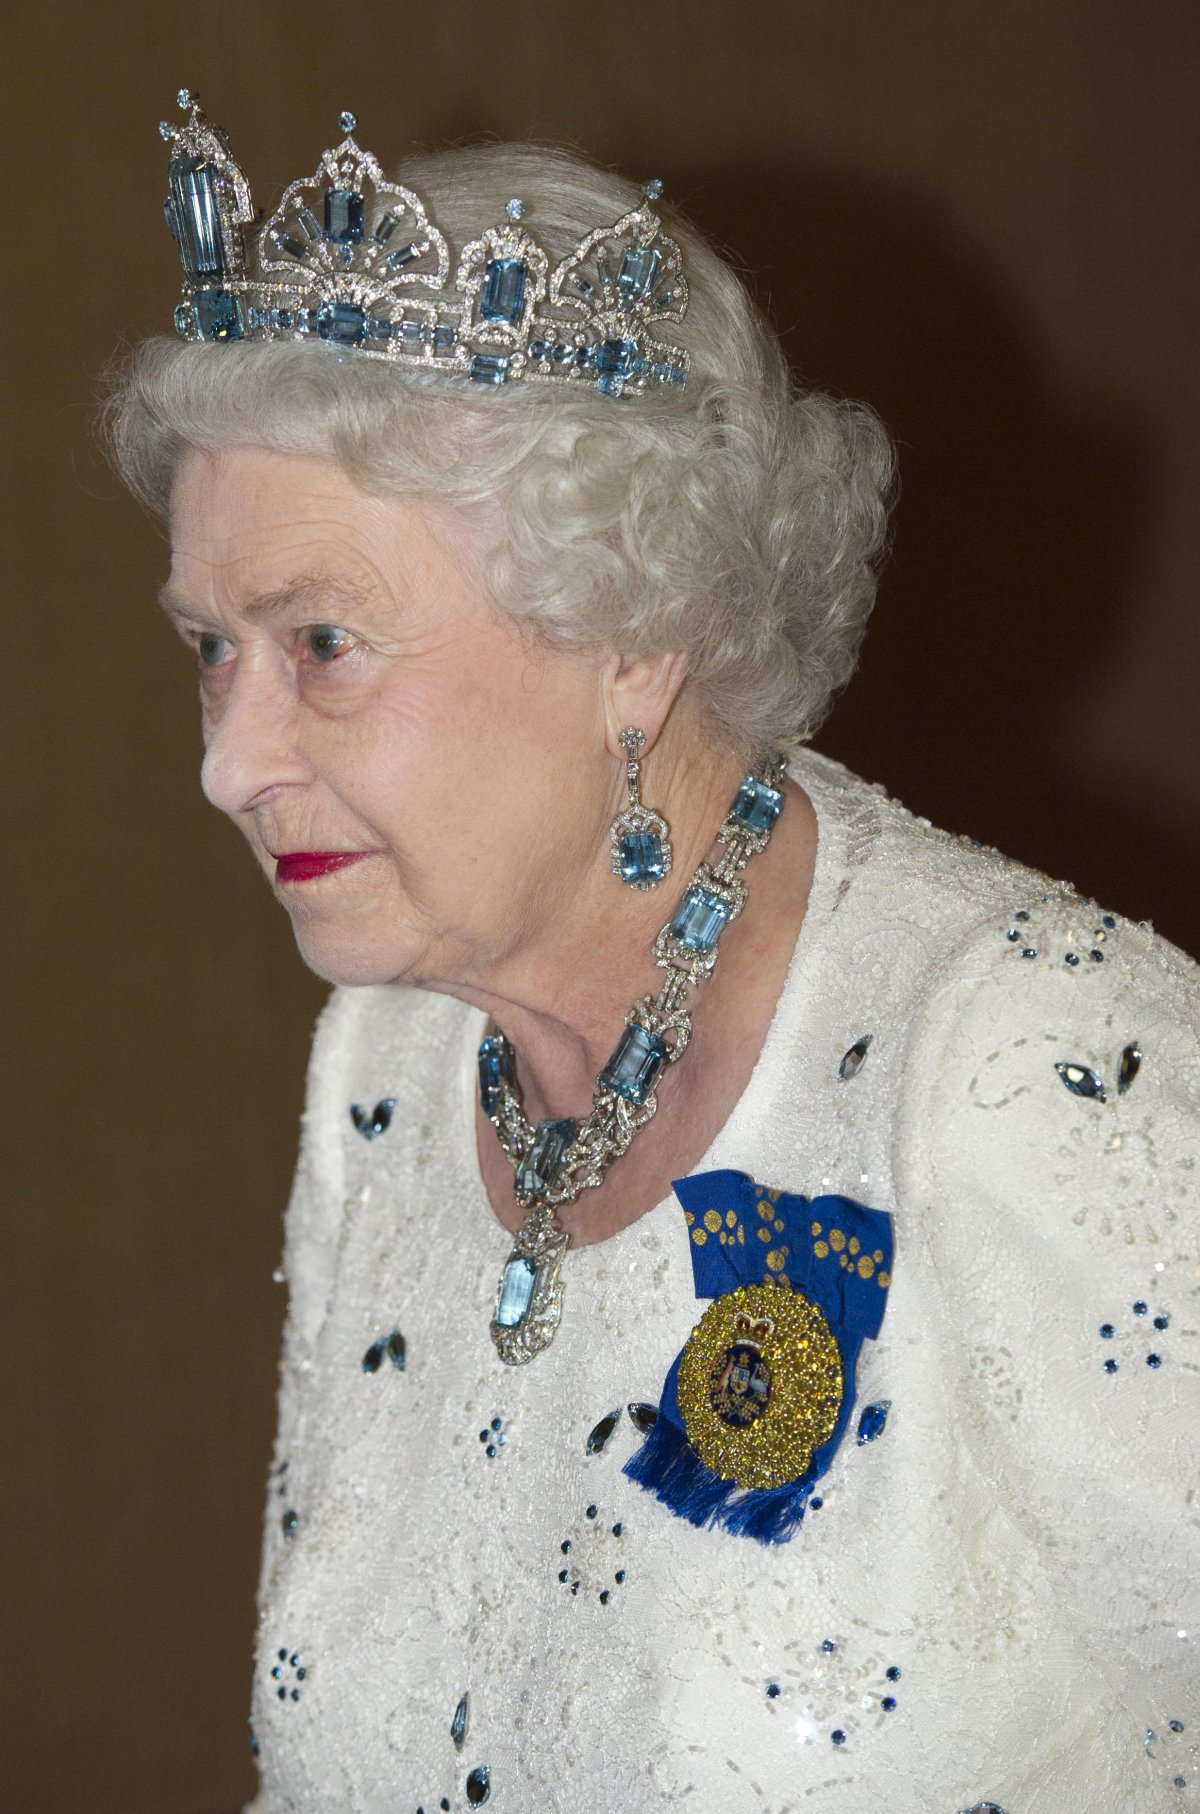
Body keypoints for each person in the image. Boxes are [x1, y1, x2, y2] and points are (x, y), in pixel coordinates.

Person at [105, 91, 1199, 1813]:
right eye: (208, 649)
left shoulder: (1027, 1069)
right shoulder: (389, 1060)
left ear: (632, 636)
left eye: (320, 643)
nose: (227, 761)